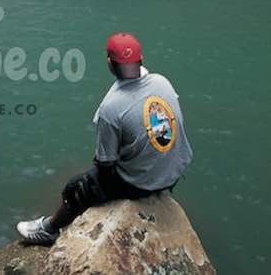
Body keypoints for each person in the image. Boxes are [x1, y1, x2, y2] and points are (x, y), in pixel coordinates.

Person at [16, 32, 193, 245]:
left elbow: (105, 164)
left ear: (110, 63)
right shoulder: (162, 81)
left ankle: (49, 230)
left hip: (144, 183)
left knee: (77, 187)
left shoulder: (111, 107)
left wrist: (96, 185)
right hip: (175, 170)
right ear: (142, 59)